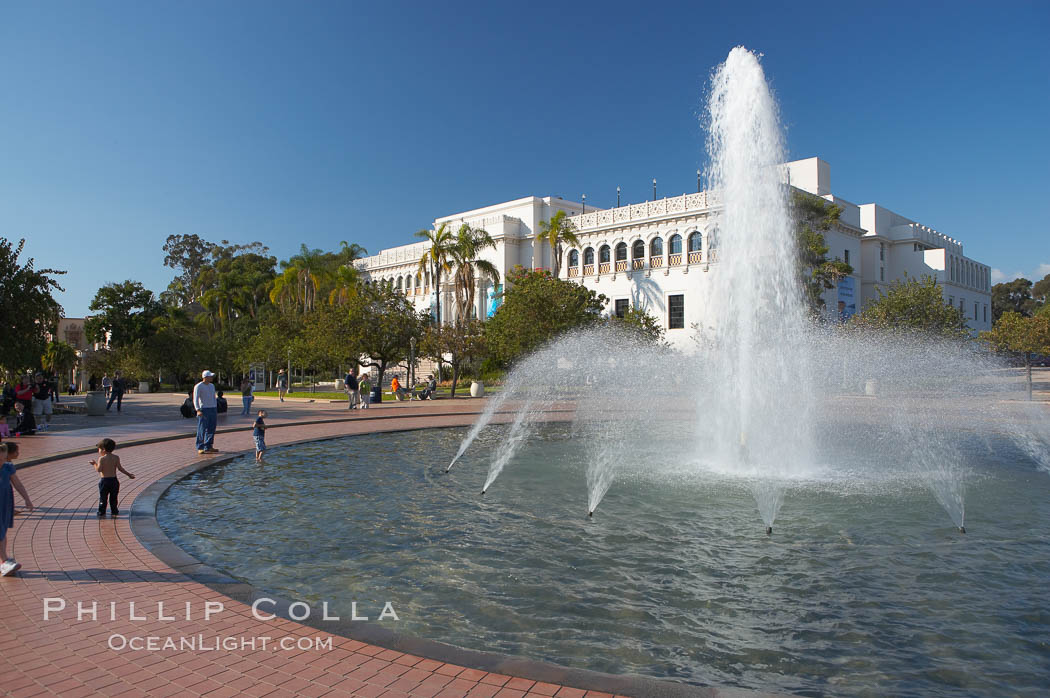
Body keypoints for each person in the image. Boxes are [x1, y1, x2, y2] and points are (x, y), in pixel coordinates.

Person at [1, 442, 33, 576]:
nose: (1, 461)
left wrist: (27, 499)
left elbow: (17, 484)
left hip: (5, 503)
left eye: (3, 458)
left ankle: (4, 560)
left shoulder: (8, 467)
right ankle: (4, 561)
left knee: (3, 531)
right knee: (0, 532)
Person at [91, 438, 135, 517]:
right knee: (114, 497)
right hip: (114, 481)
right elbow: (120, 468)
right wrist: (129, 474)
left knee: (103, 498)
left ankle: (101, 511)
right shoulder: (116, 457)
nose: (98, 451)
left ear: (103, 449)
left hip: (104, 481)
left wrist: (94, 464)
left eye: (99, 449)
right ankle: (114, 510)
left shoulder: (101, 459)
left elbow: (99, 469)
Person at [193, 370, 219, 455]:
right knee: (202, 428)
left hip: (212, 408)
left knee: (211, 428)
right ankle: (200, 447)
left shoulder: (212, 386)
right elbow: (195, 399)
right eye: (210, 376)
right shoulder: (198, 386)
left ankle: (208, 445)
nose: (211, 378)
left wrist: (215, 407)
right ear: (205, 377)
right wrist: (198, 410)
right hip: (204, 409)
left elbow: (213, 397)